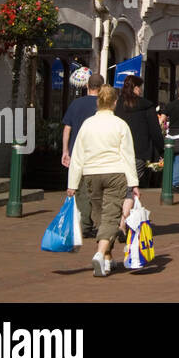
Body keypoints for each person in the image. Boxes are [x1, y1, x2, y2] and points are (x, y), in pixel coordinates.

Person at [66, 85, 139, 277]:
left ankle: (107, 260)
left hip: (91, 174)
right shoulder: (120, 125)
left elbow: (78, 156)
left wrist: (72, 184)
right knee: (111, 217)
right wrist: (134, 182)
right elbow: (127, 156)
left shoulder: (87, 124)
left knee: (100, 217)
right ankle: (100, 254)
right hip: (115, 173)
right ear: (115, 102)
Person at [61, 69, 104, 239]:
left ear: (87, 86)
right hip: (97, 153)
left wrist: (65, 150)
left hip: (77, 152)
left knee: (80, 190)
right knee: (98, 189)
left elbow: (67, 128)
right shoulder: (103, 105)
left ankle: (84, 224)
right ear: (101, 88)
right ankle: (98, 223)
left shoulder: (76, 104)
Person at [114, 74, 163, 188]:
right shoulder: (146, 105)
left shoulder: (117, 105)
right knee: (132, 184)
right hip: (139, 151)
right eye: (140, 87)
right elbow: (155, 130)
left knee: (121, 184)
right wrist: (161, 149)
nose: (141, 90)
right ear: (136, 88)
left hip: (119, 150)